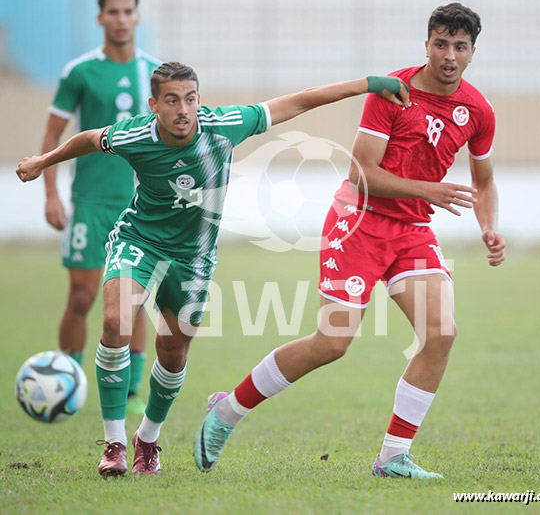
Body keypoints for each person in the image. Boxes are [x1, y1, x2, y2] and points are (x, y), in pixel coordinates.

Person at [17, 62, 409, 477]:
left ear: (199, 100)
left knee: (173, 352)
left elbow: (298, 100)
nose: (183, 109)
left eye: (190, 99)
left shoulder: (224, 126)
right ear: (154, 105)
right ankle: (114, 444)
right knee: (115, 322)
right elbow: (90, 139)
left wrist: (367, 84)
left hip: (194, 258)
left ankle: (147, 440)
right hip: (139, 242)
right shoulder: (135, 134)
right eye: (171, 101)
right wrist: (45, 160)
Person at [192, 2, 506, 480]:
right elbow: (362, 174)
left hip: (412, 229)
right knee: (332, 343)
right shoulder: (392, 92)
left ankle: (393, 457)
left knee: (441, 333)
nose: (448, 55)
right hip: (359, 221)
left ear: (472, 53)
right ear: (426, 45)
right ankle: (228, 411)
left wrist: (488, 225)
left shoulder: (478, 110)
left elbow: (483, 183)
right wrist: (429, 190)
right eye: (440, 44)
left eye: (459, 47)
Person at [41, 0, 160, 414]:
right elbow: (52, 137)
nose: (121, 19)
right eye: (113, 12)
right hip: (90, 201)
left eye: (128, 11)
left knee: (135, 298)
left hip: (139, 204)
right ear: (100, 18)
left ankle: (131, 393)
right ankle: (67, 384)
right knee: (82, 296)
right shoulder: (80, 72)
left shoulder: (156, 73)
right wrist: (51, 194)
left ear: (137, 16)